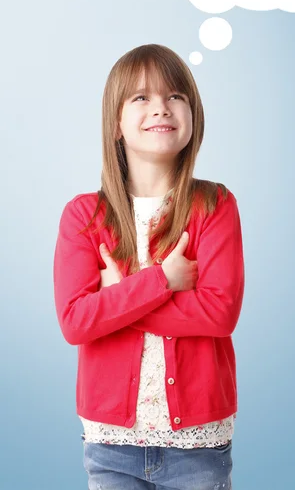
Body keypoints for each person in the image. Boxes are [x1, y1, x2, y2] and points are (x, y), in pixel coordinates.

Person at [53, 43, 245, 489]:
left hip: (197, 445)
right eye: (141, 97)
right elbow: (75, 322)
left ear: (192, 114)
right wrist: (162, 281)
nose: (160, 106)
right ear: (116, 123)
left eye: (175, 95)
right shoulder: (84, 216)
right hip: (110, 444)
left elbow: (220, 313)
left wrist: (117, 298)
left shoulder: (214, 205)